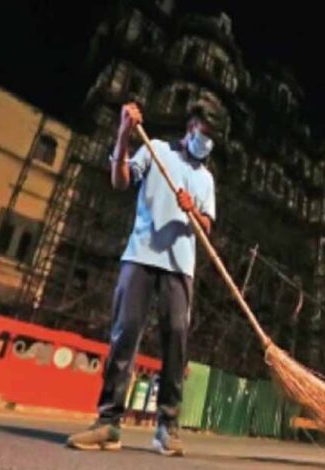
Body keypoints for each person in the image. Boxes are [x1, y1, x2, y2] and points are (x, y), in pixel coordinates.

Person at [67, 102, 216, 456]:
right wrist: (123, 134)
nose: (208, 143)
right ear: (192, 127)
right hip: (140, 256)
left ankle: (167, 426)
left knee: (176, 339)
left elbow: (207, 227)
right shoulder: (156, 149)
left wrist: (192, 210)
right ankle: (108, 423)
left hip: (180, 266)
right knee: (125, 334)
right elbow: (120, 180)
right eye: (206, 133)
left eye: (214, 139)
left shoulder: (206, 178)